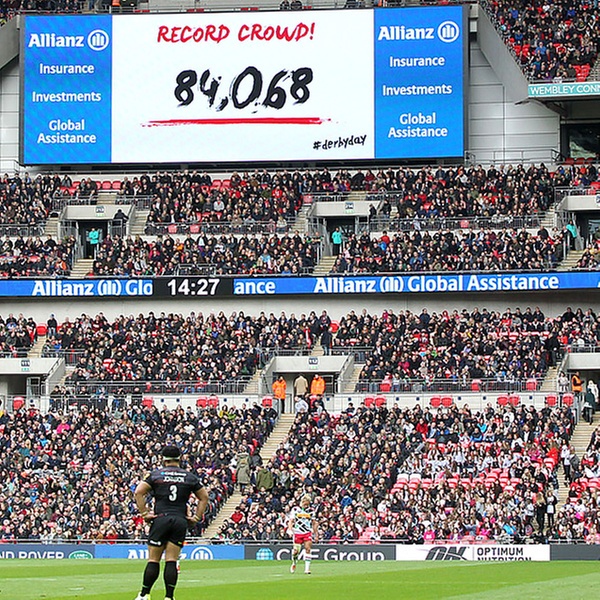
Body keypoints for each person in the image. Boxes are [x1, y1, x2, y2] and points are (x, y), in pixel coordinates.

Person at [133, 445, 208, 600]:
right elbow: (204, 497)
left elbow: (138, 492)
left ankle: (144, 594)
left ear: (163, 459)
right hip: (180, 520)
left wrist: (145, 514)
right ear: (179, 459)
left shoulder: (156, 475)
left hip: (161, 519)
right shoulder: (189, 477)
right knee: (171, 560)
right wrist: (196, 517)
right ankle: (169, 597)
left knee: (153, 559)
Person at [288, 494, 318, 575]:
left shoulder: (311, 511)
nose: (306, 506)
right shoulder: (295, 509)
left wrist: (316, 535)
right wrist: (290, 530)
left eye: (308, 504)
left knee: (308, 549)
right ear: (302, 502)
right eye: (305, 504)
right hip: (297, 532)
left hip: (307, 532)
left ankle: (307, 569)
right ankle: (294, 562)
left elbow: (314, 523)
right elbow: (291, 521)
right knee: (295, 552)